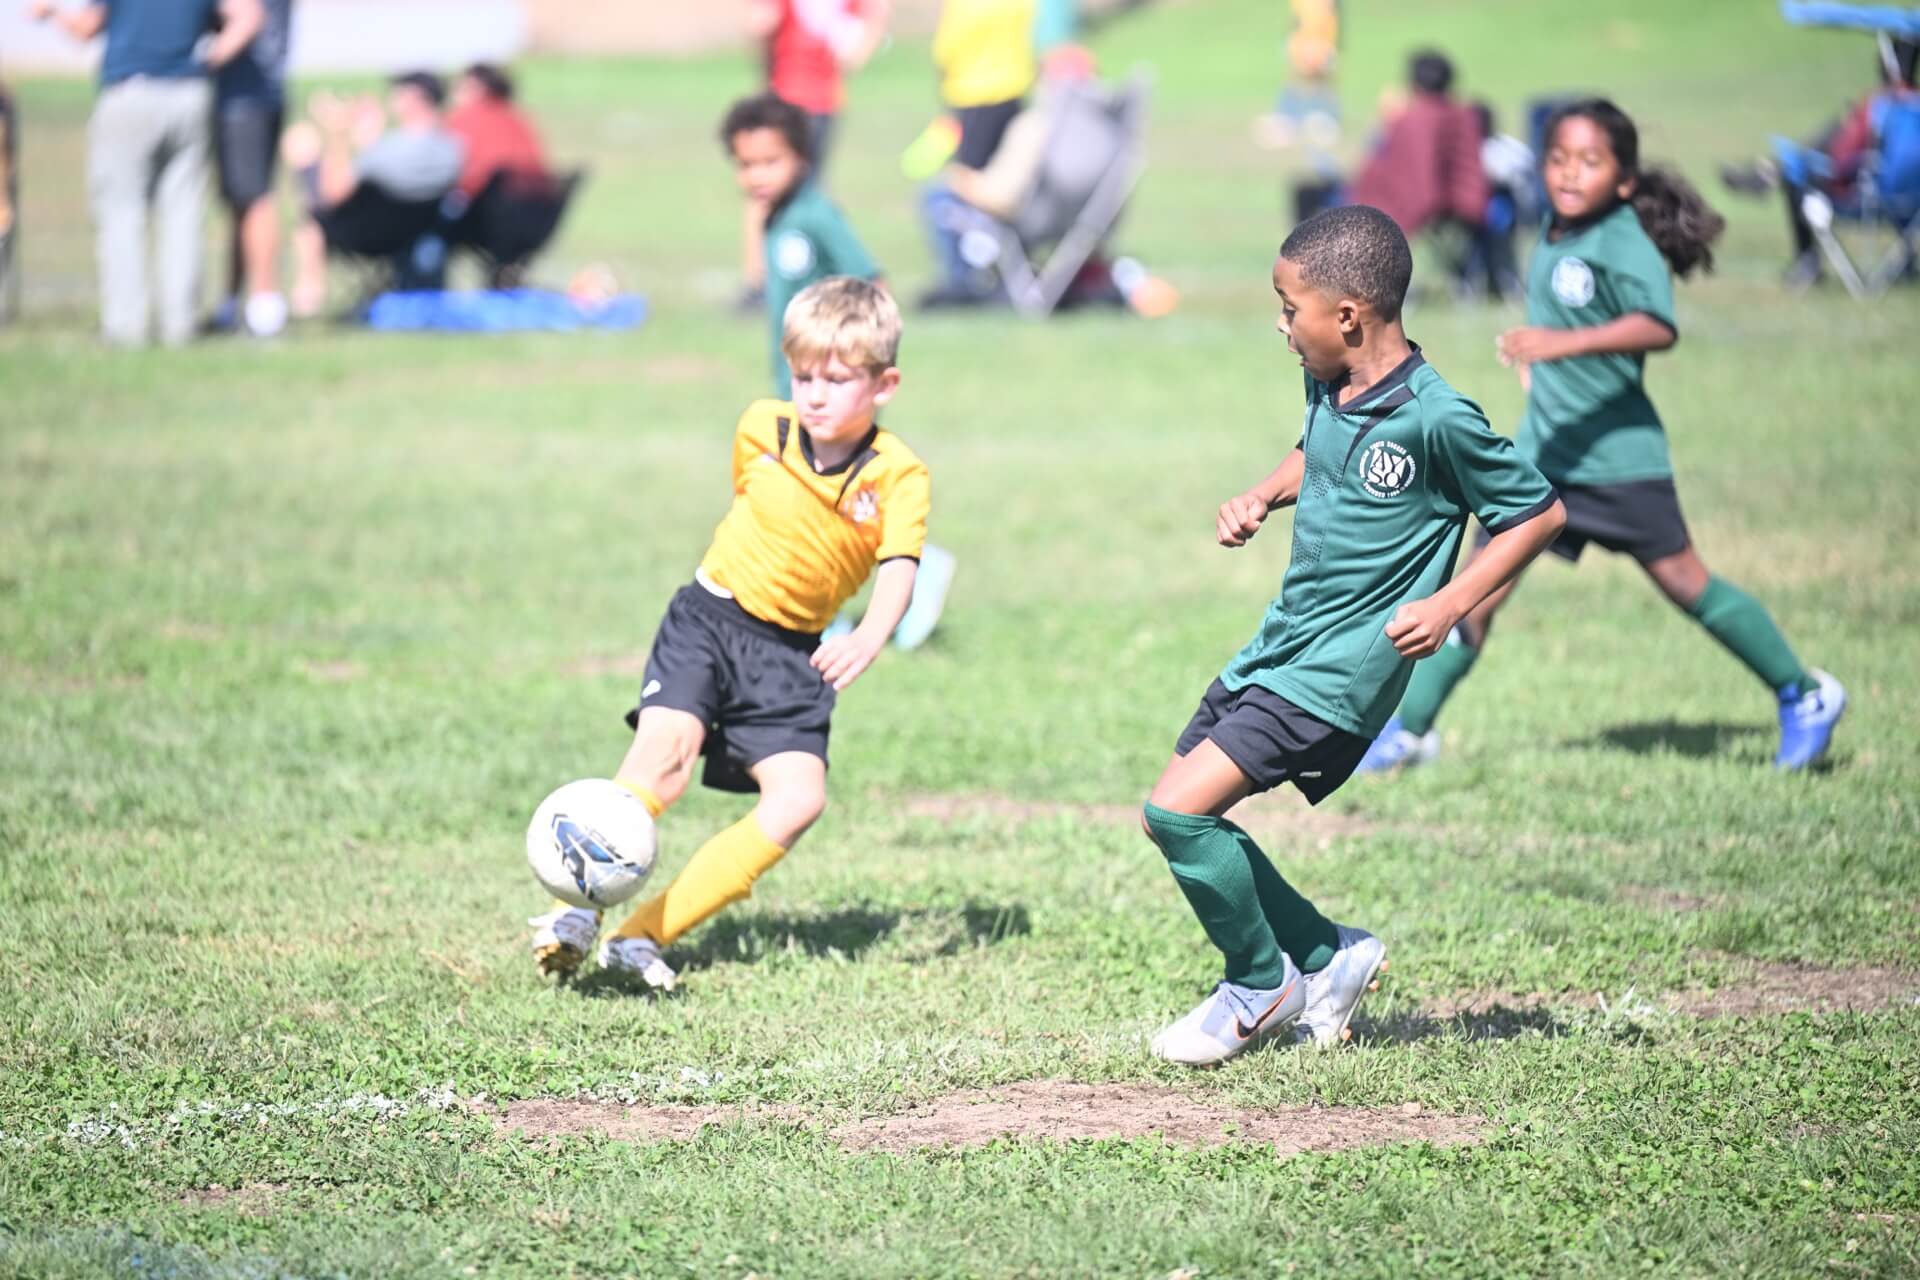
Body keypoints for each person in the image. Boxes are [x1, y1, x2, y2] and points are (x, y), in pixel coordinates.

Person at [1140, 205, 1565, 1067]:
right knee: (1174, 817)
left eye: (1289, 307)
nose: (1281, 325)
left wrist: (1450, 605)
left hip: (1344, 668)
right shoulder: (1329, 377)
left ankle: (1261, 984)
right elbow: (1317, 451)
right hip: (1285, 642)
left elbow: (1537, 513)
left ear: (1348, 315)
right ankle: (1332, 958)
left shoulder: (1438, 417)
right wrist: (1262, 493)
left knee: (1176, 811)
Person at [1357, 100, 1847, 777]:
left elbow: (1657, 326)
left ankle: (1805, 693)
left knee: (1687, 585)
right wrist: (1540, 368)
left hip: (1617, 459)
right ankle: (1409, 731)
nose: (1569, 173)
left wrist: (1560, 345)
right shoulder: (1557, 233)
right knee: (1476, 588)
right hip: (1546, 458)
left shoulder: (1621, 238)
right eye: (1559, 159)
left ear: (1623, 181)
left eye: (1590, 162)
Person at [526, 278, 931, 987]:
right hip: (710, 621)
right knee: (664, 758)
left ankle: (643, 935)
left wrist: (868, 636)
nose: (814, 394)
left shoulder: (899, 474)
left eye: (836, 379)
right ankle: (576, 908)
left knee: (799, 799)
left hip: (791, 655)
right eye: (803, 374)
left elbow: (900, 563)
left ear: (884, 383)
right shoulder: (762, 429)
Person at [723, 91, 955, 651]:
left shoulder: (816, 215)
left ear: (803, 157)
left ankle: (914, 570)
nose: (756, 175)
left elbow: (872, 279)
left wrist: (869, 363)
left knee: (838, 499)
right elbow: (758, 279)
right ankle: (819, 610)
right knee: (807, 501)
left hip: (836, 389)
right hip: (798, 389)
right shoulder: (776, 216)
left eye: (769, 162)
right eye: (745, 164)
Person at [30, 0, 265, 347]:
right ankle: (180, 325)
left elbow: (87, 28)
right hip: (190, 94)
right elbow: (249, 16)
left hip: (131, 93)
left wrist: (51, 13)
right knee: (183, 213)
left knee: (122, 213)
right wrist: (208, 58)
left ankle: (126, 328)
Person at [1721, 39, 1920, 288]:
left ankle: (1807, 262)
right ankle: (1907, 261)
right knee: (1820, 146)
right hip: (1912, 207)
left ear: (1887, 66)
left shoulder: (1877, 107)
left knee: (1798, 172)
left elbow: (1840, 157)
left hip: (1865, 202)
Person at [735, 0, 890, 311]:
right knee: (807, 194)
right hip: (824, 100)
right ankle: (804, 277)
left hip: (787, 95)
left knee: (765, 192)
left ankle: (762, 283)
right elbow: (863, 40)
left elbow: (761, 22)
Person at [284, 71, 465, 315]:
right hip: (422, 234)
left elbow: (333, 193)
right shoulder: (453, 149)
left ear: (416, 99)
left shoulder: (388, 150)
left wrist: (337, 132)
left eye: (398, 94)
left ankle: (308, 296)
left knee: (311, 217)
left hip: (368, 236)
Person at [208, 0, 291, 338]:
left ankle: (265, 307)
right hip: (254, 94)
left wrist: (199, 61)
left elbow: (248, 17)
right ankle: (232, 303)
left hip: (246, 97)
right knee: (240, 203)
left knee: (254, 199)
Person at [1345, 50, 1486, 245]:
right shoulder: (1465, 115)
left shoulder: (1411, 119)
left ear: (1414, 83)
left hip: (1427, 204)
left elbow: (1403, 170)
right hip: (1464, 199)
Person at [932, 0, 1037, 169]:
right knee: (1009, 165)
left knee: (969, 170)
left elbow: (946, 50)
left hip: (972, 95)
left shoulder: (964, 5)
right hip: (1014, 91)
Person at [445, 63, 551, 201]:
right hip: (532, 207)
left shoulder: (466, 119)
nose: (454, 95)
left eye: (459, 88)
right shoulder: (516, 118)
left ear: (477, 90)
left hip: (489, 207)